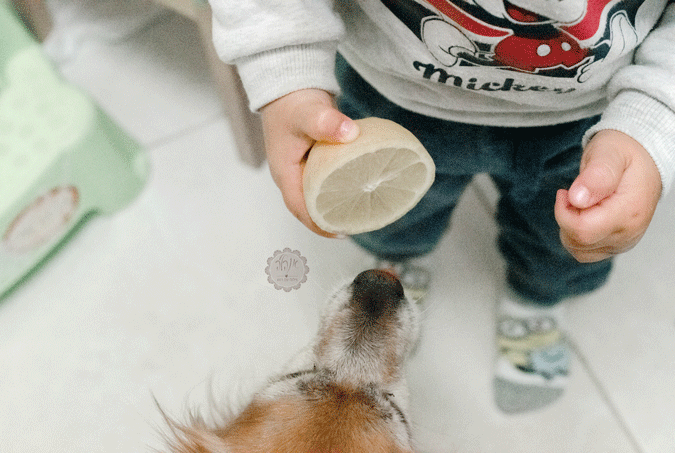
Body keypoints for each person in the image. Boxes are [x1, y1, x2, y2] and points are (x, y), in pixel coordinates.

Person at [209, 0, 674, 413]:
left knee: (565, 237)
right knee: (389, 216)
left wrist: (652, 116)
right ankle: (399, 264)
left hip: (588, 117)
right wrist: (284, 65)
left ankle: (539, 296)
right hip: (393, 92)